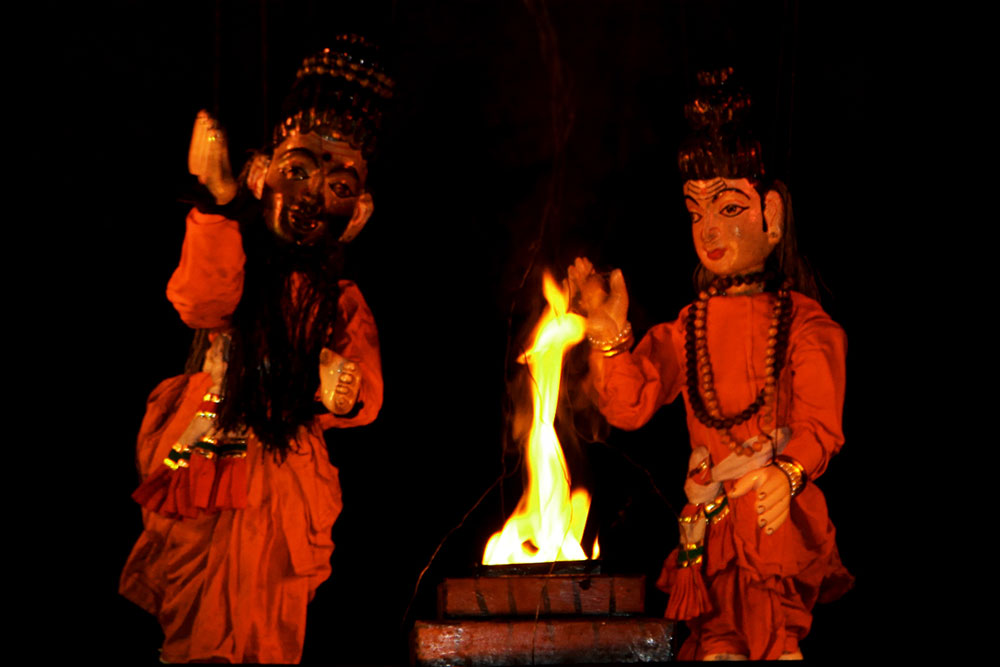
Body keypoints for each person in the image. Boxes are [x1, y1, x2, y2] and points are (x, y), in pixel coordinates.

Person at [120, 36, 392, 663]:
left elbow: (366, 395)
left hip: (288, 471)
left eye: (338, 184)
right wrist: (218, 203)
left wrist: (340, 387)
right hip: (212, 447)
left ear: (358, 213)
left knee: (269, 616)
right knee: (199, 617)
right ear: (259, 174)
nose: (313, 197)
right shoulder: (236, 253)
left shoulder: (341, 299)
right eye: (297, 171)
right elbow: (202, 302)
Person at [569, 69, 852, 661]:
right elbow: (630, 407)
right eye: (696, 212)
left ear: (771, 215)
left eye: (728, 208)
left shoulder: (806, 325)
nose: (710, 231)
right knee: (716, 648)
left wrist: (787, 474)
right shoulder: (687, 327)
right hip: (711, 531)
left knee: (774, 643)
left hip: (773, 529)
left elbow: (820, 425)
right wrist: (610, 338)